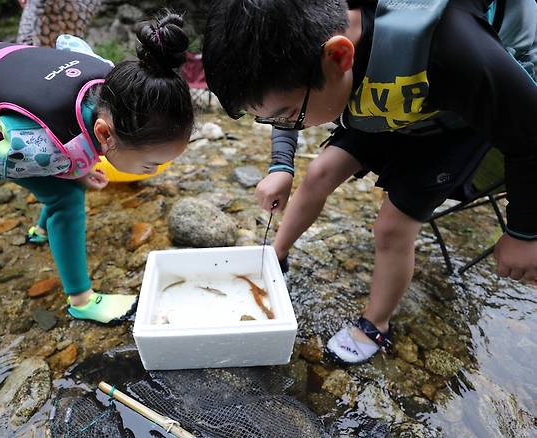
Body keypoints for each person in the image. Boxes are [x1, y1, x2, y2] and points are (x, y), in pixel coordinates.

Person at [202, 0, 537, 363]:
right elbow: (281, 109)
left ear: (338, 57)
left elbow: (530, 132)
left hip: (449, 120)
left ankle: (377, 323)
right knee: (319, 172)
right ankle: (275, 255)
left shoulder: (455, 48)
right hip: (376, 99)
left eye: (289, 117)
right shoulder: (313, 44)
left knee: (391, 228)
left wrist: (524, 231)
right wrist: (281, 165)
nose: (284, 124)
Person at [0, 11, 193, 324]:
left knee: (67, 174)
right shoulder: (41, 149)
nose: (154, 171)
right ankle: (81, 299)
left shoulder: (111, 80)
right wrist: (74, 170)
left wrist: (78, 168)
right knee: (65, 198)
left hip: (5, 72)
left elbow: (67, 43)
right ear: (103, 134)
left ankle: (41, 231)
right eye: (152, 164)